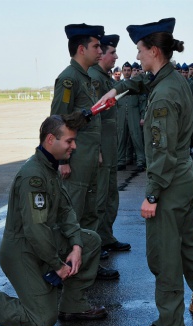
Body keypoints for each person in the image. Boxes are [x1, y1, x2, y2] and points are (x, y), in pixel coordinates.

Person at [97, 17, 193, 326]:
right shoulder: (170, 81)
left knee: (165, 255)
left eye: (141, 50)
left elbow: (162, 151)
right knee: (190, 248)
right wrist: (120, 89)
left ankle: (170, 324)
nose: (138, 57)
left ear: (154, 50)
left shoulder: (164, 97)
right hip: (184, 176)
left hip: (169, 182)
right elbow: (145, 81)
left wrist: (152, 195)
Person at [0, 112, 107, 326]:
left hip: (42, 243)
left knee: (90, 241)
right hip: (22, 251)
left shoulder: (50, 167)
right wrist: (58, 266)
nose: (74, 146)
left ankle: (73, 305)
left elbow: (66, 210)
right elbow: (35, 230)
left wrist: (76, 246)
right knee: (41, 320)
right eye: (69, 141)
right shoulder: (33, 177)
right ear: (50, 140)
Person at [50, 23, 118, 280]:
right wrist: (61, 161)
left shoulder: (87, 78)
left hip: (88, 158)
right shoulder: (69, 78)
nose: (100, 51)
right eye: (96, 46)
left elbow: (91, 122)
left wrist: (97, 151)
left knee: (90, 212)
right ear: (81, 49)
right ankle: (63, 266)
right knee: (72, 214)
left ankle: (88, 265)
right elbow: (58, 121)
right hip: (74, 159)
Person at [88, 35, 131, 255]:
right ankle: (95, 242)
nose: (116, 56)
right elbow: (93, 117)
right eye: (112, 53)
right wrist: (97, 149)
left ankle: (106, 236)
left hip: (110, 145)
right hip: (101, 146)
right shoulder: (94, 79)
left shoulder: (105, 79)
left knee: (110, 193)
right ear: (101, 54)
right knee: (99, 196)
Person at [116, 61, 145, 172]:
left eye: (129, 70)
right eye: (125, 70)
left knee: (137, 138)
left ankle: (141, 161)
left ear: (132, 71)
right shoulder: (118, 85)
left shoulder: (136, 85)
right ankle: (121, 161)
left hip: (134, 113)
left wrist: (142, 116)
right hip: (121, 114)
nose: (127, 72)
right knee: (121, 138)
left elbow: (142, 102)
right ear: (122, 71)